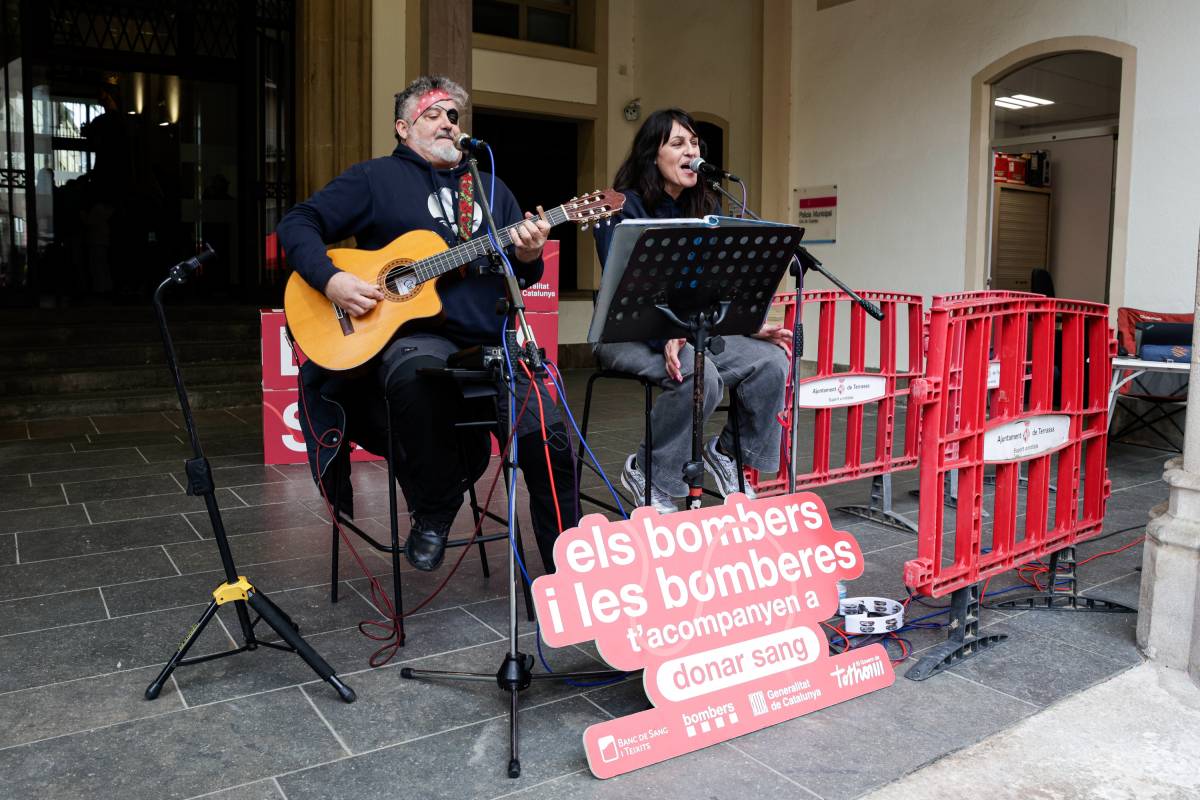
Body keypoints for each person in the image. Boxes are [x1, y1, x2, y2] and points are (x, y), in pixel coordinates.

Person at [278, 75, 577, 573]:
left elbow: (519, 273)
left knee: (550, 434)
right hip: (414, 341)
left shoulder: (488, 187)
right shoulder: (373, 179)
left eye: (453, 115)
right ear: (402, 127)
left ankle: (567, 562)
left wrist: (528, 254)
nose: (447, 123)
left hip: (489, 342)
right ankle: (435, 510)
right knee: (414, 377)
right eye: (432, 114)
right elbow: (297, 223)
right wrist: (331, 280)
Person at [593, 108, 790, 513]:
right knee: (699, 374)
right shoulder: (621, 207)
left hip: (692, 329)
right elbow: (627, 290)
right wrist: (664, 334)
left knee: (773, 361)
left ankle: (729, 453)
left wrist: (747, 325)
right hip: (626, 332)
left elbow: (720, 285)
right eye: (677, 143)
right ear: (653, 155)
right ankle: (649, 469)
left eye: (694, 142)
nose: (690, 151)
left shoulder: (707, 207)